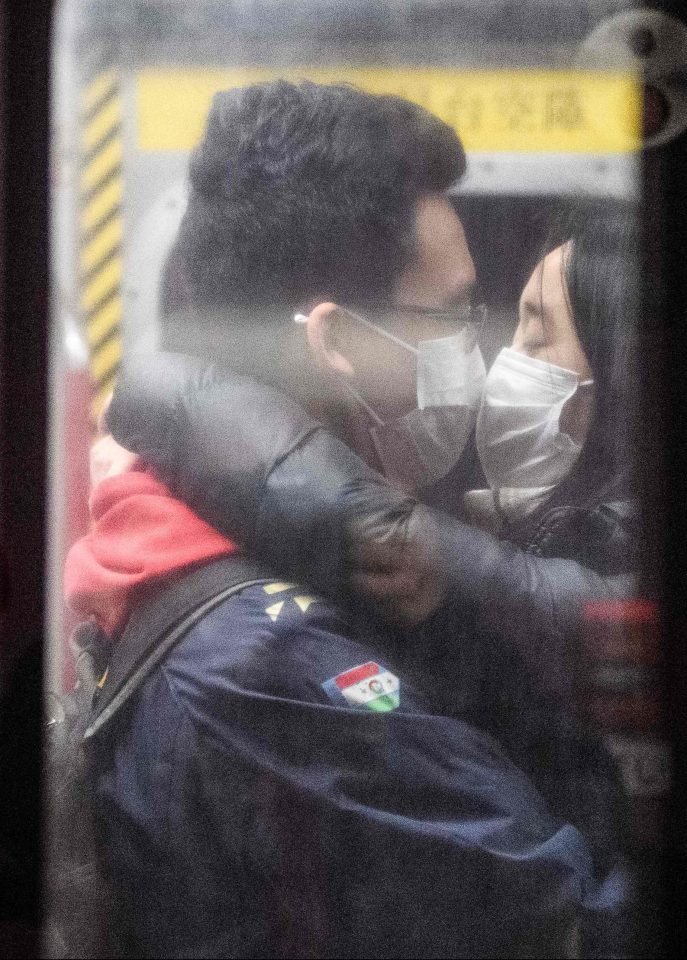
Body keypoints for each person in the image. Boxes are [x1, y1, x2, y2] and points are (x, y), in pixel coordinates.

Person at [66, 81, 616, 958]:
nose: (474, 352)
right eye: (452, 317)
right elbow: (559, 923)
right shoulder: (274, 665)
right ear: (333, 342)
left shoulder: (238, 548)